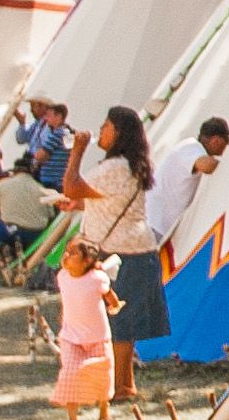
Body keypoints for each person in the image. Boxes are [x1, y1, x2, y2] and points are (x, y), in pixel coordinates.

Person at [61, 106, 163, 401]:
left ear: (117, 132)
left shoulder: (114, 167)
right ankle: (122, 384)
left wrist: (77, 150)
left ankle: (121, 386)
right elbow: (106, 201)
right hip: (136, 248)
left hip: (118, 251)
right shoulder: (130, 165)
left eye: (105, 126)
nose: (100, 131)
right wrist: (80, 205)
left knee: (118, 322)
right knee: (123, 324)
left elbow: (71, 186)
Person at [47, 237, 119, 420]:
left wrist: (115, 305)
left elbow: (109, 294)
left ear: (87, 261)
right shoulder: (63, 276)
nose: (66, 255)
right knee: (70, 374)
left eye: (73, 253)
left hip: (98, 336)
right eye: (67, 251)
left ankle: (104, 407)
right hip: (71, 336)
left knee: (102, 373)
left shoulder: (97, 279)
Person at [144, 117, 229, 265]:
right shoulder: (191, 148)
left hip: (154, 223)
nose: (226, 147)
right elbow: (206, 165)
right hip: (154, 223)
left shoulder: (188, 147)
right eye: (226, 142)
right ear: (216, 140)